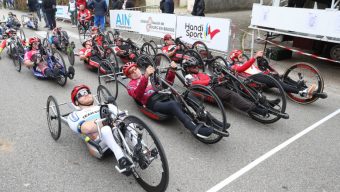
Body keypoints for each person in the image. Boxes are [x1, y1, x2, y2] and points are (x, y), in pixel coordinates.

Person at [123, 61, 229, 138]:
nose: (135, 72)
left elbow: (167, 84)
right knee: (174, 105)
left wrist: (171, 71)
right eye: (131, 72)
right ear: (129, 76)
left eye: (135, 69)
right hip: (153, 102)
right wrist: (145, 77)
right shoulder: (131, 85)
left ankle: (210, 119)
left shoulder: (150, 75)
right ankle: (195, 128)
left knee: (187, 95)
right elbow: (137, 95)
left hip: (164, 95)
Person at [182, 57, 283, 118]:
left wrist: (220, 78)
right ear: (187, 69)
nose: (196, 67)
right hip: (211, 90)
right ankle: (257, 110)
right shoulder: (188, 77)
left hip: (216, 85)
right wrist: (211, 80)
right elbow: (195, 84)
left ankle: (265, 101)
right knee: (232, 95)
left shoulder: (202, 73)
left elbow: (213, 78)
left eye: (196, 66)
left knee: (242, 86)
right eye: (193, 67)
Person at [67, 84, 132, 172]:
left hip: (116, 131)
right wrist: (107, 121)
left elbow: (123, 117)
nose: (85, 94)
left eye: (87, 92)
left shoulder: (106, 106)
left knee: (129, 123)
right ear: (76, 102)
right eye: (80, 94)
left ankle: (143, 152)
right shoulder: (75, 115)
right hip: (100, 143)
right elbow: (87, 129)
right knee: (106, 129)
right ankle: (121, 159)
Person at [228, 49, 317, 99]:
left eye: (242, 55)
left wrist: (268, 70)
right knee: (278, 83)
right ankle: (301, 91)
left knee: (284, 78)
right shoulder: (234, 66)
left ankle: (305, 89)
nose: (242, 57)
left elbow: (256, 69)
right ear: (235, 59)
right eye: (240, 57)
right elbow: (241, 69)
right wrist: (254, 57)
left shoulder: (245, 62)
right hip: (255, 80)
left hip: (262, 75)